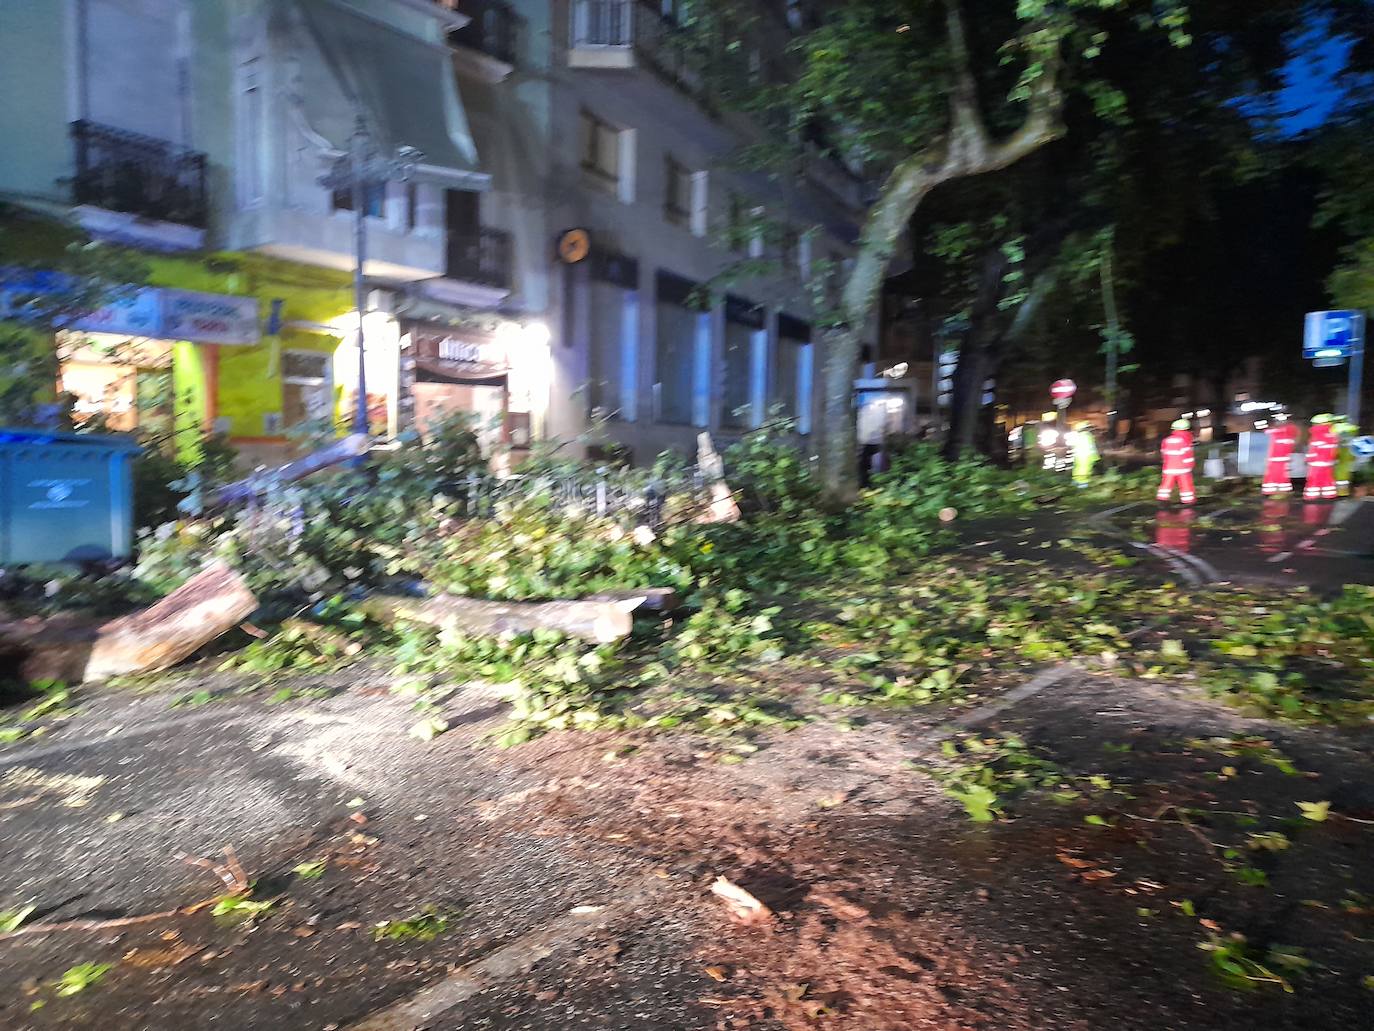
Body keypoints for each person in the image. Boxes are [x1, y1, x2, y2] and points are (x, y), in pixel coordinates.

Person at [1157, 418, 1195, 505]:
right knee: (1185, 485)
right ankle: (1187, 501)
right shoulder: (1185, 441)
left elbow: (1164, 453)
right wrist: (1190, 465)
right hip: (1183, 469)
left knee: (1166, 484)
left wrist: (1165, 463)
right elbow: (1188, 455)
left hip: (1168, 468)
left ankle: (1162, 499)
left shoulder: (1166, 440)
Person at [1303, 413, 1338, 501]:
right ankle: (1329, 495)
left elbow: (1313, 449)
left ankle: (1311, 495)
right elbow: (1334, 449)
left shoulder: (1317, 435)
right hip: (1328, 462)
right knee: (1327, 479)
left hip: (1316, 462)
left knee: (1314, 479)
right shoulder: (1332, 435)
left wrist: (1308, 459)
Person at [1261, 411, 1297, 495]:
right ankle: (1282, 490)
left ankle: (1273, 490)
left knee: (1275, 475)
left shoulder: (1277, 432)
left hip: (1276, 459)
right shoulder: (1287, 432)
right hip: (1281, 459)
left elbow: (1267, 432)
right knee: (1281, 476)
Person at [1333, 416, 1358, 497]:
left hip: (1339, 453)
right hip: (1348, 454)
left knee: (1338, 475)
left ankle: (1338, 492)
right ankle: (1344, 492)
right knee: (1345, 475)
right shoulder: (1351, 428)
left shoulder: (1335, 428)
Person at [1070, 421, 1099, 488]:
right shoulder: (1087, 435)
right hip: (1087, 456)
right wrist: (1095, 456)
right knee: (1085, 469)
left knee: (1077, 468)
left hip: (1078, 455)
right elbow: (1092, 447)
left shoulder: (1077, 436)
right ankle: (1083, 483)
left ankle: (1075, 481)